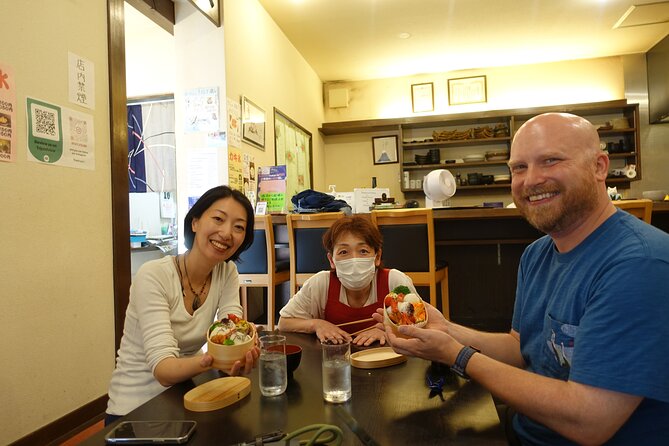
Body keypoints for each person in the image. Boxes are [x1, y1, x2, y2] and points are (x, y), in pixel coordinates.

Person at [374, 113, 669, 445]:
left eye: (550, 161)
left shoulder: (639, 265)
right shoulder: (537, 254)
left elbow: (591, 422)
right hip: (524, 428)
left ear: (600, 166)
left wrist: (457, 355)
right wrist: (446, 329)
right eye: (519, 168)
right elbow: (522, 348)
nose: (531, 180)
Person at [106, 186, 260, 423]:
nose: (227, 233)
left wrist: (243, 346)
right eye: (218, 219)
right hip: (135, 410)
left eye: (238, 227)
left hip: (189, 396)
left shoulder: (227, 272)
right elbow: (164, 370)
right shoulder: (153, 275)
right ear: (195, 222)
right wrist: (215, 360)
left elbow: (231, 326)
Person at [278, 215, 418, 346]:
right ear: (331, 260)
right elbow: (284, 322)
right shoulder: (320, 284)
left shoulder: (395, 282)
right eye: (344, 252)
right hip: (335, 363)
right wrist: (316, 324)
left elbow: (419, 324)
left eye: (363, 251)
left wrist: (388, 331)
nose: (354, 260)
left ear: (377, 256)